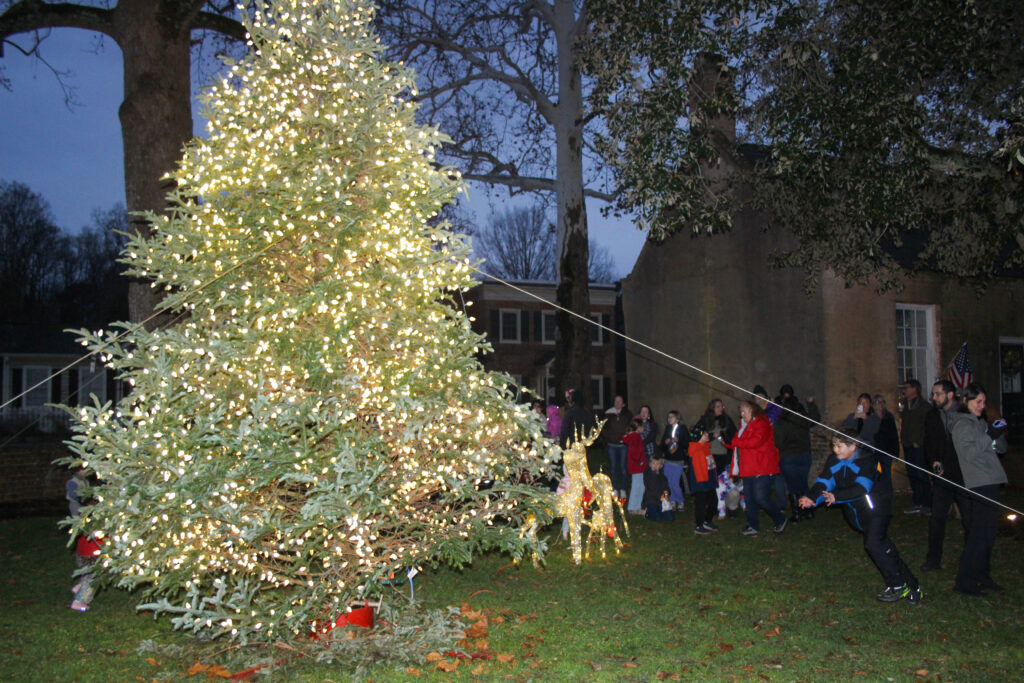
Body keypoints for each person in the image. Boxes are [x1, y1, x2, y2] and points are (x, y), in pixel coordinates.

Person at [799, 426, 921, 606]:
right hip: (858, 513)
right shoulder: (834, 461)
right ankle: (913, 587)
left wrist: (837, 497)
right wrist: (812, 498)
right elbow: (824, 482)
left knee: (873, 543)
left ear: (853, 446)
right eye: (834, 445)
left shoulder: (867, 461)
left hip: (877, 510)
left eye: (839, 446)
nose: (835, 450)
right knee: (885, 549)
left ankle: (896, 585)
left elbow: (862, 488)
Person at [948, 383, 1008, 596]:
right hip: (979, 483)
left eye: (984, 402)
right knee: (978, 535)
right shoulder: (962, 424)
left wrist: (997, 433)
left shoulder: (979, 422)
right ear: (966, 401)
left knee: (988, 534)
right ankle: (965, 582)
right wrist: (989, 435)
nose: (982, 406)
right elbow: (969, 453)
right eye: (978, 402)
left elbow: (1000, 449)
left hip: (991, 480)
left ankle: (982, 576)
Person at [921, 380, 965, 571]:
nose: (933, 397)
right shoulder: (932, 416)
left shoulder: (964, 414)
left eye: (937, 394)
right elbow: (929, 442)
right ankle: (933, 560)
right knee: (938, 517)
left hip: (963, 474)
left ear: (949, 395)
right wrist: (933, 461)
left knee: (970, 518)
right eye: (933, 394)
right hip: (943, 476)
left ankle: (972, 559)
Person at [725, 401, 787, 535]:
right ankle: (752, 525)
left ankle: (780, 518)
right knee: (750, 499)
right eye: (740, 412)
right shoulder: (744, 426)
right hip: (748, 468)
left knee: (761, 497)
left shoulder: (762, 424)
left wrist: (736, 442)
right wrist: (726, 441)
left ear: (752, 411)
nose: (741, 415)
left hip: (762, 467)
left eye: (743, 412)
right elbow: (737, 445)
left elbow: (755, 441)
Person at [773, 395, 815, 523]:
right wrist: (811, 405)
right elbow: (814, 420)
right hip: (805, 456)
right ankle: (808, 511)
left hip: (789, 457)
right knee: (803, 484)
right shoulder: (802, 419)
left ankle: (797, 513)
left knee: (793, 487)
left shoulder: (782, 423)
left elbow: (778, 442)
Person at [695, 398, 738, 518]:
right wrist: (712, 436)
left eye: (721, 406)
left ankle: (731, 507)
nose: (721, 409)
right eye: (718, 406)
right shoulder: (705, 420)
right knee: (712, 483)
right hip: (710, 456)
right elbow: (697, 434)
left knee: (725, 484)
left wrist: (724, 436)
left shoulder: (727, 420)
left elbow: (734, 435)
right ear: (712, 408)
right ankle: (713, 507)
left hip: (724, 456)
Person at [67, 466, 99, 612]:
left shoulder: (85, 482)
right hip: (91, 556)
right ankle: (79, 602)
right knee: (92, 578)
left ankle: (80, 585)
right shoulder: (73, 483)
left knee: (87, 575)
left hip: (85, 553)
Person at [899, 379, 932, 514]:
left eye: (906, 388)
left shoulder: (924, 407)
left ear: (914, 389)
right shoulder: (906, 406)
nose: (904, 391)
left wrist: (919, 441)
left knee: (922, 474)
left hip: (919, 447)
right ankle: (917, 502)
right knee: (912, 474)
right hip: (908, 446)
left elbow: (928, 427)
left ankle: (928, 504)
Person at [687, 428, 719, 534]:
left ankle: (707, 521)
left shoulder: (705, 448)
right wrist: (701, 483)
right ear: (699, 437)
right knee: (700, 504)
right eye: (704, 434)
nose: (707, 435)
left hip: (709, 481)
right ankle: (699, 525)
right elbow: (697, 468)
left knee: (713, 503)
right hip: (700, 482)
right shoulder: (696, 449)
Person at [601, 395, 633, 500]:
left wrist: (626, 437)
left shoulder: (627, 414)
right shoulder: (609, 414)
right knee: (614, 468)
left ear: (623, 403)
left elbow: (631, 427)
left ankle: (623, 489)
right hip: (612, 445)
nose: (617, 403)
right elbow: (603, 428)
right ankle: (615, 488)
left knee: (623, 468)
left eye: (620, 401)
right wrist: (610, 437)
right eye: (616, 401)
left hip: (623, 445)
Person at [660, 410, 688, 511]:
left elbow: (687, 443)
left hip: (678, 460)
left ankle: (680, 500)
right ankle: (672, 500)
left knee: (675, 482)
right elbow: (662, 446)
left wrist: (678, 441)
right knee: (668, 481)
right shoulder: (668, 429)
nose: (669, 419)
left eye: (671, 417)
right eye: (668, 417)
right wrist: (665, 442)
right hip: (668, 459)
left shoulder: (682, 429)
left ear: (677, 418)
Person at [871, 394, 899, 488]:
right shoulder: (870, 417)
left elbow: (893, 435)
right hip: (874, 451)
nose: (880, 405)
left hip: (886, 451)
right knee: (874, 475)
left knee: (886, 476)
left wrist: (895, 453)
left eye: (882, 402)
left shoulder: (888, 417)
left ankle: (887, 495)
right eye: (878, 402)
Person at [624, 418, 647, 514]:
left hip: (636, 465)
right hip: (637, 466)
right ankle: (634, 507)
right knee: (637, 486)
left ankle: (636, 506)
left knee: (640, 486)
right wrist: (639, 461)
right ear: (638, 427)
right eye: (642, 426)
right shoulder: (635, 437)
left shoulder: (634, 437)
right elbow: (635, 452)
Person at [642, 455, 675, 522]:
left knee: (670, 518)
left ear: (661, 466)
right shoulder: (648, 475)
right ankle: (648, 512)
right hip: (651, 500)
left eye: (658, 464)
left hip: (661, 501)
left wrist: (667, 493)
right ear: (650, 464)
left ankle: (660, 512)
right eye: (654, 463)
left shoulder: (663, 477)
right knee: (657, 519)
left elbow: (667, 488)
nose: (655, 465)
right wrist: (661, 496)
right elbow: (652, 487)